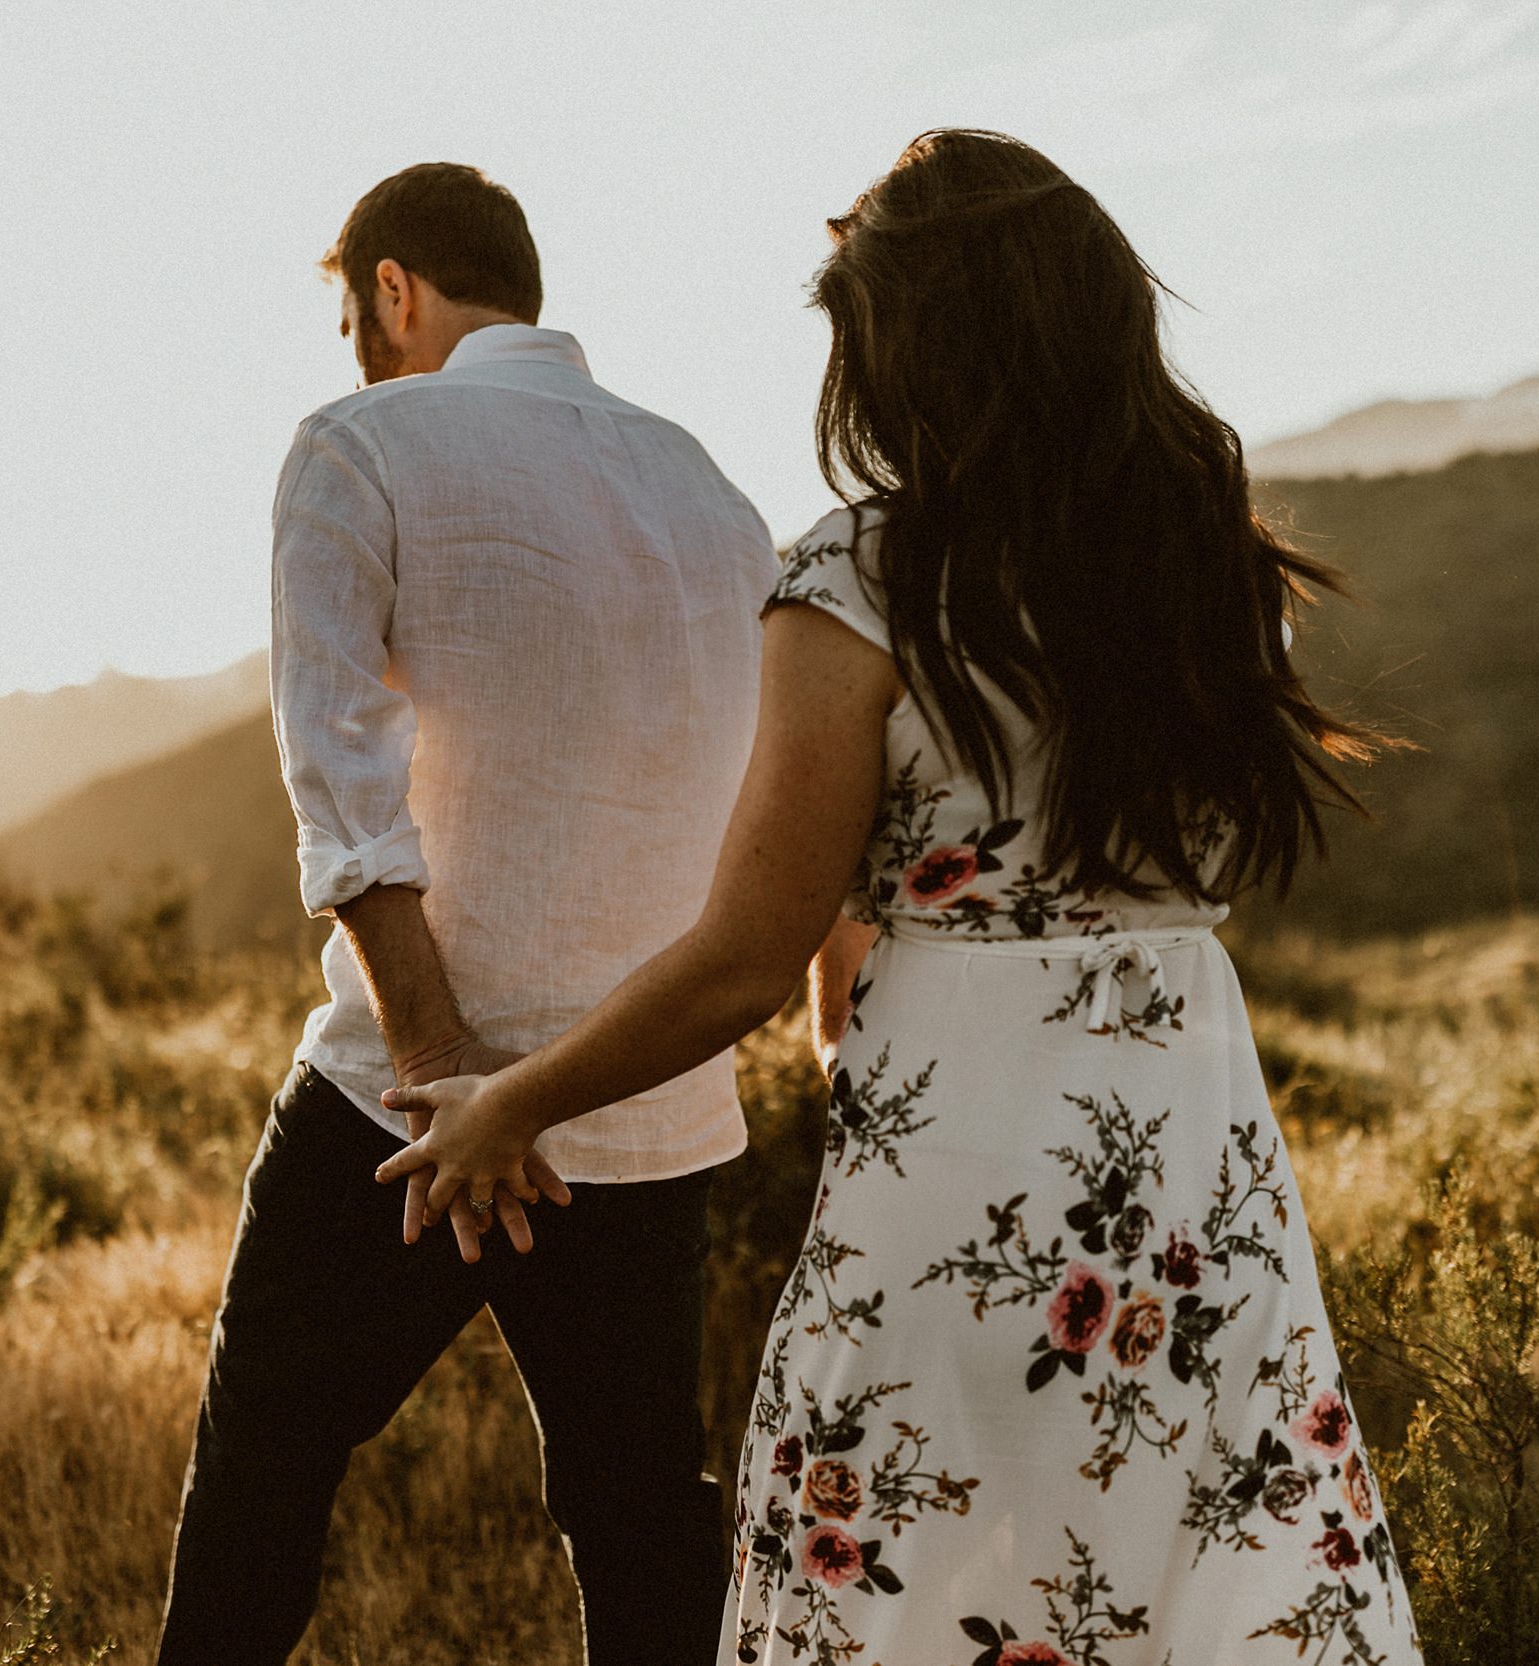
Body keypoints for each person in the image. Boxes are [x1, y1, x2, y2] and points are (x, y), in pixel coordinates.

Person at [381, 131, 1426, 1664]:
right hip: (1197, 1171)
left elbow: (745, 949)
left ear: (919, 341)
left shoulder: (865, 576)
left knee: (915, 1575)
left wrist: (512, 1103)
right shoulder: (1213, 567)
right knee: (1188, 1567)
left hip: (961, 1180)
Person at [156, 161, 778, 1666]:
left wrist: (444, 1064)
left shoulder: (360, 441)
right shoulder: (710, 485)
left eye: (356, 318)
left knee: (264, 1478)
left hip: (404, 1108)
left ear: (393, 289)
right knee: (642, 1521)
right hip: (645, 1103)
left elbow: (343, 785)